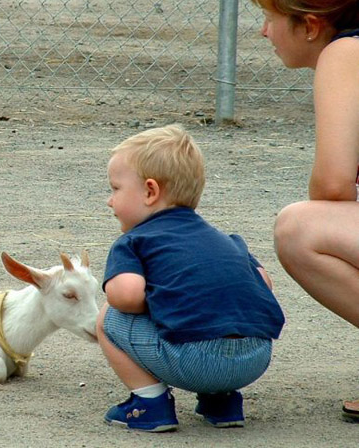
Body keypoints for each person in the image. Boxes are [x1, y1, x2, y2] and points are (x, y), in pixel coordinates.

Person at [96, 124, 285, 432]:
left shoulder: (135, 241)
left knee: (107, 318)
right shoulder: (224, 239)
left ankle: (149, 403)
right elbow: (263, 283)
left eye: (115, 189)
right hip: (255, 358)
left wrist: (166, 300)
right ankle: (222, 402)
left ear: (150, 191)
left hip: (195, 362)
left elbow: (126, 297)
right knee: (218, 310)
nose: (110, 200)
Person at [249, 0, 359, 420]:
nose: (264, 33)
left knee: (299, 227)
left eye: (270, 20)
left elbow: (332, 185)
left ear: (311, 25)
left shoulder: (345, 53)